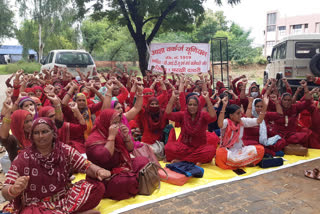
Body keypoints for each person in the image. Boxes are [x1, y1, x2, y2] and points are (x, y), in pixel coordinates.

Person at [2, 117, 111, 214]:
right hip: (37, 205)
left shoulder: (64, 150)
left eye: (44, 131)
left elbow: (86, 165)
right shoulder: (24, 157)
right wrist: (14, 189)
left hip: (64, 199)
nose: (40, 136)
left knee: (98, 187)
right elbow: (5, 190)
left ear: (53, 133)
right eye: (36, 133)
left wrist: (99, 171)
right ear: (32, 136)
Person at [86, 109, 149, 200]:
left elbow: (130, 149)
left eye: (118, 123)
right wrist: (111, 137)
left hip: (120, 165)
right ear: (106, 122)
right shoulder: (93, 140)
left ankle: (134, 178)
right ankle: (135, 180)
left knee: (143, 161)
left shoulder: (116, 132)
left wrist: (126, 136)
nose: (117, 126)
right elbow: (105, 157)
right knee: (127, 181)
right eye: (114, 123)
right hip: (105, 176)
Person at [164, 91, 217, 165]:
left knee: (211, 150)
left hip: (200, 148)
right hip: (184, 147)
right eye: (190, 104)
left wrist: (207, 99)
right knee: (168, 147)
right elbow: (168, 114)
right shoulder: (182, 115)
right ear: (187, 106)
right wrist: (172, 98)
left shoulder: (203, 115)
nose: (192, 107)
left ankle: (182, 161)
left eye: (195, 105)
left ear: (198, 106)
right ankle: (193, 160)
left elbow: (213, 117)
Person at [215, 96, 267, 170]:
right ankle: (243, 163)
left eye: (240, 113)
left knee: (260, 149)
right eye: (238, 113)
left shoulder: (242, 121)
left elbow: (259, 121)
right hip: (228, 152)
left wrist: (265, 106)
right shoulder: (226, 122)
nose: (241, 115)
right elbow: (220, 124)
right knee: (220, 153)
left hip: (240, 151)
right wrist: (224, 106)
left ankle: (236, 165)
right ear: (231, 116)